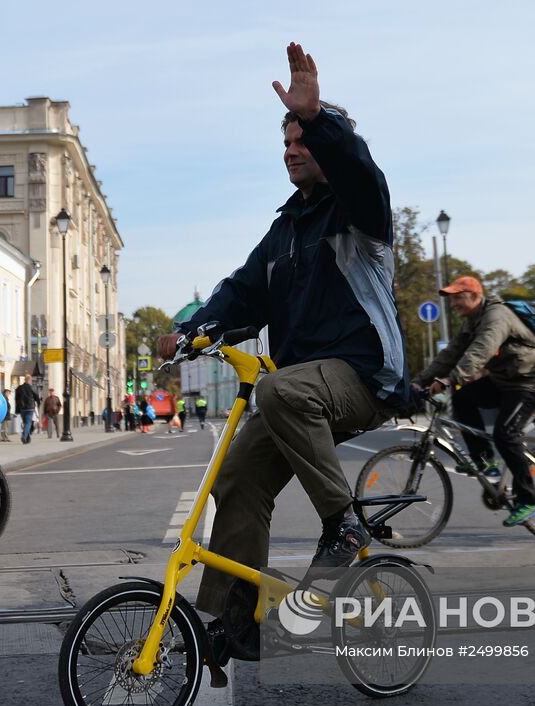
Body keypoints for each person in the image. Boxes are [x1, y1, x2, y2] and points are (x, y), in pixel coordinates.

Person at [157, 41, 411, 631]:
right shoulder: (285, 229)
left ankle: (343, 526)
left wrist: (320, 120)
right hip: (302, 386)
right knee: (238, 478)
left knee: (281, 391)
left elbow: (357, 169)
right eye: (288, 143)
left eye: (303, 142)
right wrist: (190, 330)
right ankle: (228, 622)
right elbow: (243, 293)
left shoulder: (360, 213)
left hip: (364, 374)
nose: (293, 151)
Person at [413, 275, 535, 526]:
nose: (453, 304)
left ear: (476, 296)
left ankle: (530, 499)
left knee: (506, 434)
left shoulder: (496, 316)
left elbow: (481, 350)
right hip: (503, 381)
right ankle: (486, 460)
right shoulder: (473, 320)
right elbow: (451, 353)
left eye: (458, 297)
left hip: (528, 383)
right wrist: (420, 381)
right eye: (451, 299)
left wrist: (450, 379)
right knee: (463, 396)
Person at [15, 375, 40, 443]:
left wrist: (17, 408)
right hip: (30, 408)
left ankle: (27, 439)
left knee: (25, 423)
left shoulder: (19, 388)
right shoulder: (31, 387)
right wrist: (38, 403)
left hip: (22, 409)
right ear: (29, 380)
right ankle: (24, 435)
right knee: (28, 423)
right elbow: (36, 396)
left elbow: (16, 399)